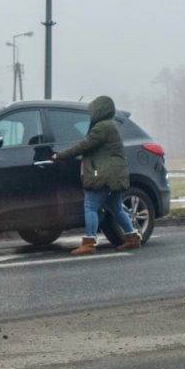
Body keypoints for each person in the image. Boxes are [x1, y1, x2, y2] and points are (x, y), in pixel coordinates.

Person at [51, 95, 141, 255]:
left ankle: (89, 242)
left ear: (100, 110)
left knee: (90, 206)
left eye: (93, 110)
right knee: (116, 207)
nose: (91, 113)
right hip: (115, 174)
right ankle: (132, 238)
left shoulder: (102, 127)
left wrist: (60, 155)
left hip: (106, 174)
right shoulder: (110, 125)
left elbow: (84, 146)